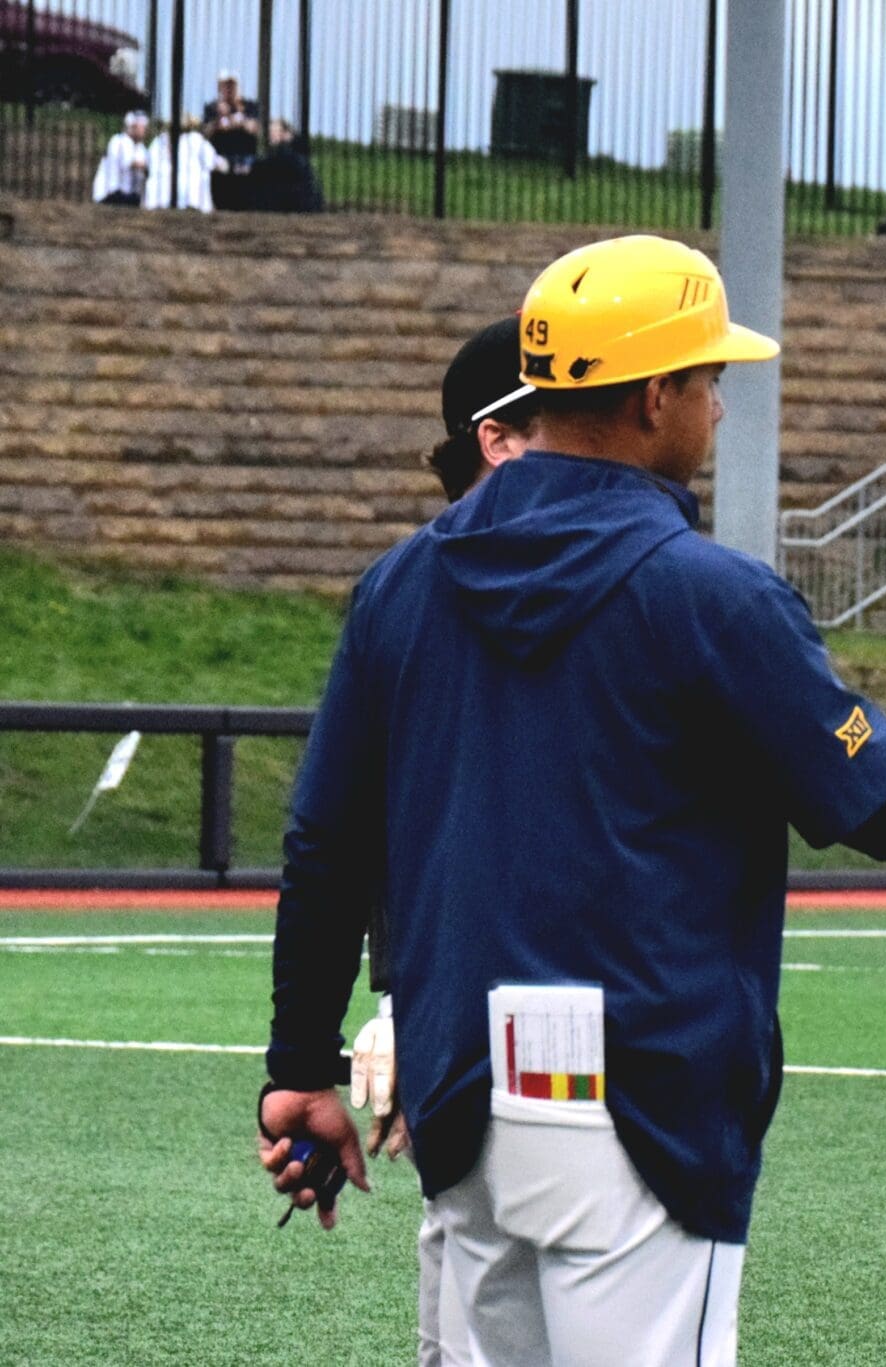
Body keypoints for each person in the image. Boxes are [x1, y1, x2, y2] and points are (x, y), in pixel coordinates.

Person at [258, 234, 886, 1365]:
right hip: (640, 1095)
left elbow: (324, 843)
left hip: (458, 1080)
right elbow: (882, 800)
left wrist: (298, 1067)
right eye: (707, 379)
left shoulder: (401, 582)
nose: (718, 405)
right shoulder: (713, 594)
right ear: (655, 395)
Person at [345, 316, 538, 1366]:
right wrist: (402, 1003)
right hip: (544, 1047)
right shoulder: (414, 589)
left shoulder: (407, 583)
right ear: (497, 438)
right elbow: (373, 821)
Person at [201, 70, 263, 210]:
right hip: (221, 155)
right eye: (225, 86)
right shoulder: (212, 108)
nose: (229, 89)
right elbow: (205, 132)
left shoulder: (249, 106)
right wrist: (218, 121)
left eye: (232, 85)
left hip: (245, 155)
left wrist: (238, 120)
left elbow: (255, 128)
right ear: (220, 88)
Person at [143, 114, 228, 212]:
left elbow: (146, 164)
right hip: (192, 201)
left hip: (160, 201)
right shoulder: (196, 140)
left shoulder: (158, 141)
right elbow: (222, 166)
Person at [250, 118, 324, 214]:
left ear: (286, 133)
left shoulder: (288, 151)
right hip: (304, 201)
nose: (270, 135)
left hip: (301, 203)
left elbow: (269, 165)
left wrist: (255, 166)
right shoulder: (292, 149)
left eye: (274, 131)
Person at [91, 111, 151, 207]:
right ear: (133, 126)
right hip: (109, 194)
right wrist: (149, 166)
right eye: (142, 127)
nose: (145, 130)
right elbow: (129, 162)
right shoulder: (118, 141)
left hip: (127, 195)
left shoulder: (141, 148)